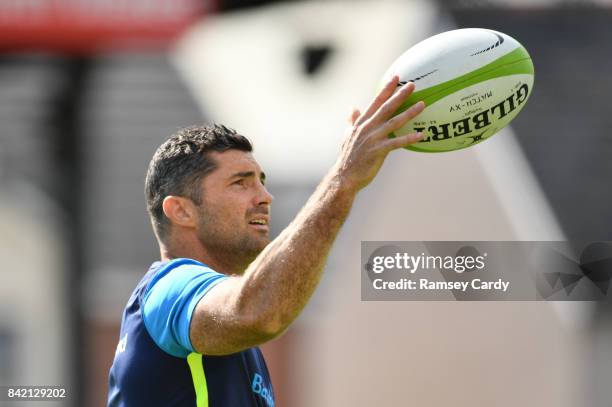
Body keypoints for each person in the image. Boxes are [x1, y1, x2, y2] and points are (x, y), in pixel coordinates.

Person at [107, 76, 425, 407]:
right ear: (182, 211)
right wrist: (342, 180)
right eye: (240, 184)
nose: (265, 197)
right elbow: (259, 313)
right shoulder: (169, 287)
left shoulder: (226, 335)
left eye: (261, 182)